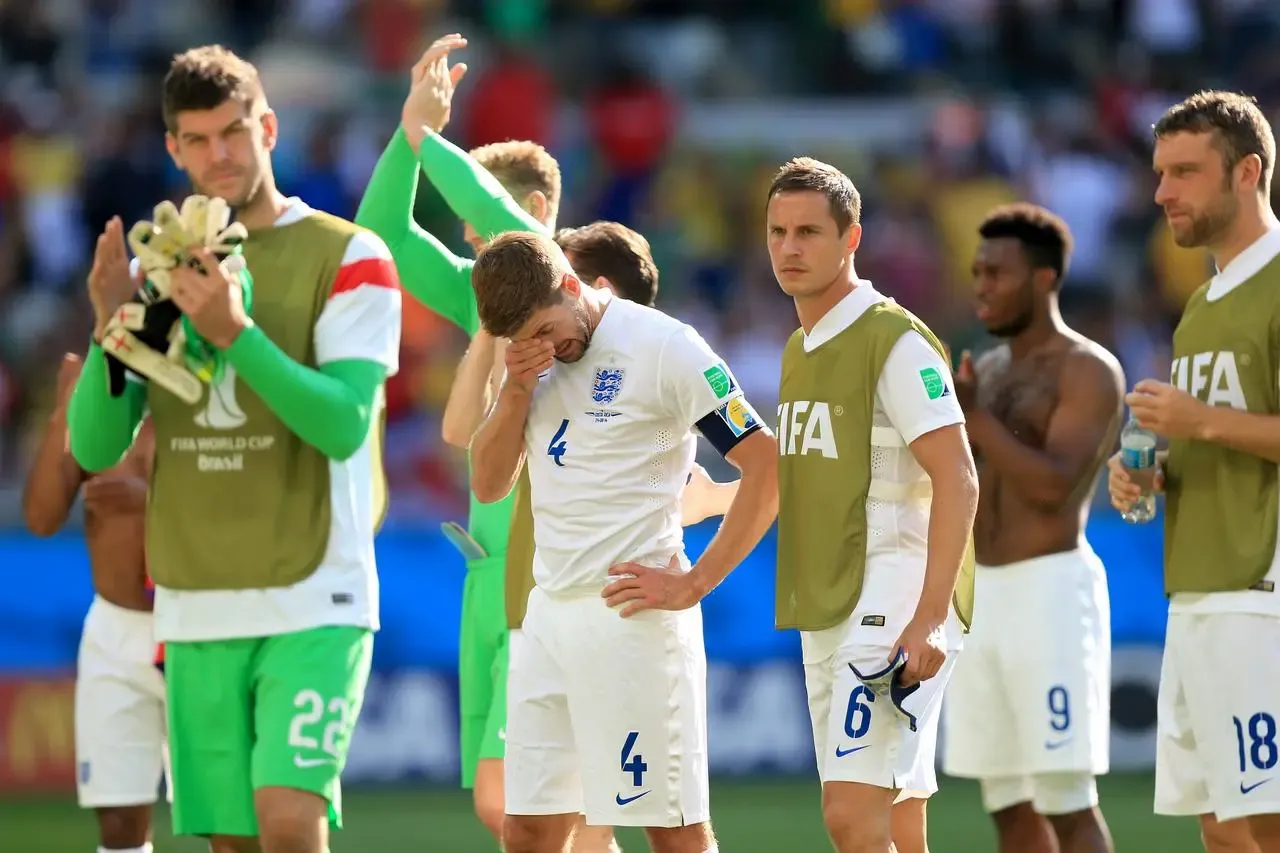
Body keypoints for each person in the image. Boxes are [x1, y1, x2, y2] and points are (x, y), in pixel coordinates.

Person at [66, 45, 402, 853]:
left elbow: (344, 421)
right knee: (234, 844)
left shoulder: (350, 254)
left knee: (289, 819)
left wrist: (234, 335)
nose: (220, 154)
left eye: (235, 131)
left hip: (317, 592)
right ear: (174, 149)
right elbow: (94, 441)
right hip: (195, 602)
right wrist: (114, 329)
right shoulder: (162, 277)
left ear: (269, 128)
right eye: (198, 139)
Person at [467, 230, 777, 853]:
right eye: (526, 341)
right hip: (547, 618)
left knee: (671, 830)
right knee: (527, 830)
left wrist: (694, 583)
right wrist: (516, 391)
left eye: (550, 330)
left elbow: (766, 464)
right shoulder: (528, 364)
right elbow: (489, 483)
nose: (546, 349)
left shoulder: (664, 347)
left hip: (633, 621)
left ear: (576, 286)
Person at [766, 156, 978, 853]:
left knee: (852, 818)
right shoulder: (800, 347)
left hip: (894, 591)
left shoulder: (896, 339)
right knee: (896, 823)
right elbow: (819, 474)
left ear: (851, 238)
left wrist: (929, 617)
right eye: (778, 232)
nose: (790, 248)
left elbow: (958, 477)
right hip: (829, 599)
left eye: (809, 232)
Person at [1109, 90, 1280, 853]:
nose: (1162, 192)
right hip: (1201, 590)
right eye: (1158, 172)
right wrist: (1154, 471)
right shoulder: (1202, 304)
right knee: (1220, 826)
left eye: (1183, 171)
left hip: (1263, 590)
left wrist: (1197, 420)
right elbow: (1224, 438)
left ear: (1247, 173)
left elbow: (1216, 421)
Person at [940, 203, 1122, 853]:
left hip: (1048, 591)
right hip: (980, 597)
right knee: (1008, 806)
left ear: (1045, 279)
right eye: (977, 271)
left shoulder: (1088, 368)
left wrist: (976, 419)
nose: (982, 285)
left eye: (998, 272)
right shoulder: (985, 370)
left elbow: (1053, 486)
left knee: (1067, 803)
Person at [23, 351, 161, 853]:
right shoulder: (100, 389)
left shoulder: (202, 388)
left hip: (196, 624)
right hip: (114, 629)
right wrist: (66, 405)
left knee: (226, 823)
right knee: (119, 824)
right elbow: (40, 517)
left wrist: (143, 498)